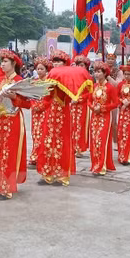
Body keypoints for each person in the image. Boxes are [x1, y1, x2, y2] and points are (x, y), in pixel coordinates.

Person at [0, 49, 31, 200]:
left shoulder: (19, 81)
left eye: (5, 61)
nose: (2, 64)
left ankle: (7, 187)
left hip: (12, 120)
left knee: (9, 153)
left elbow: (27, 104)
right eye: (1, 61)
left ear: (14, 63)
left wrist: (15, 98)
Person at [37, 49, 84, 186]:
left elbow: (70, 97)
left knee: (62, 143)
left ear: (65, 63)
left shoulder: (69, 80)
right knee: (47, 142)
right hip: (50, 115)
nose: (56, 64)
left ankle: (62, 175)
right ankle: (47, 174)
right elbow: (46, 98)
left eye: (59, 61)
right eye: (54, 61)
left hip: (63, 115)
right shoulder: (49, 78)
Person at [85, 61, 118, 175]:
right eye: (95, 72)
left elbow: (115, 103)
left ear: (105, 73)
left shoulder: (110, 88)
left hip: (105, 117)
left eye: (99, 72)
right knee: (94, 141)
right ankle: (95, 164)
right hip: (94, 116)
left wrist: (103, 108)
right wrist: (93, 107)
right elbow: (89, 100)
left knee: (102, 140)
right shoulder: (93, 87)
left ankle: (100, 166)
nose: (96, 74)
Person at [29, 57, 52, 165]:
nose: (39, 71)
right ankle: (35, 155)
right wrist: (34, 105)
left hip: (45, 111)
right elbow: (31, 96)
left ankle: (41, 156)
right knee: (35, 133)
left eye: (42, 69)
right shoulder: (34, 82)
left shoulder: (49, 83)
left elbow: (49, 99)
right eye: (38, 69)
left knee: (42, 133)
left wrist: (41, 106)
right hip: (35, 112)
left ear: (46, 70)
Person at [70, 55, 91, 156]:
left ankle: (79, 148)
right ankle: (72, 146)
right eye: (78, 65)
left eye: (82, 65)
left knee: (80, 126)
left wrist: (79, 99)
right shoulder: (72, 76)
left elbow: (90, 93)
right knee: (72, 125)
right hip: (73, 105)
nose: (80, 67)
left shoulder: (88, 77)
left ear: (86, 66)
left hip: (83, 105)